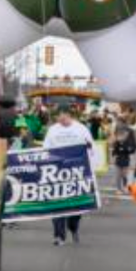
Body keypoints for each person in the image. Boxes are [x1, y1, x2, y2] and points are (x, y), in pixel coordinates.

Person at [43, 105, 95, 245]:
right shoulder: (53, 130)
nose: (58, 119)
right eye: (56, 116)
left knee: (76, 206)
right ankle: (59, 236)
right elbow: (46, 149)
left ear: (67, 114)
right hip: (57, 173)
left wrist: (89, 167)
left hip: (76, 173)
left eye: (60, 116)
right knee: (57, 205)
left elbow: (91, 149)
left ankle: (73, 227)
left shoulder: (81, 129)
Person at [111, 117, 136, 194]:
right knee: (118, 173)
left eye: (119, 122)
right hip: (119, 155)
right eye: (118, 122)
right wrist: (114, 152)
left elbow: (134, 144)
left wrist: (130, 149)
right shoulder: (117, 129)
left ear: (123, 122)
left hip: (127, 155)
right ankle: (119, 188)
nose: (118, 124)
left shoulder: (130, 131)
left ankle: (126, 186)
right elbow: (114, 143)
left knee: (125, 173)